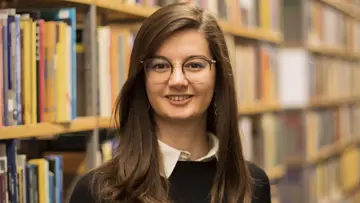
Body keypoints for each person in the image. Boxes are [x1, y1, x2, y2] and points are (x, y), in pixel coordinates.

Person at [69, 2, 271, 203]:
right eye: (160, 66)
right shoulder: (96, 192)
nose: (177, 81)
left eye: (194, 65)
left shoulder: (253, 185)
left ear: (218, 77)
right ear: (142, 79)